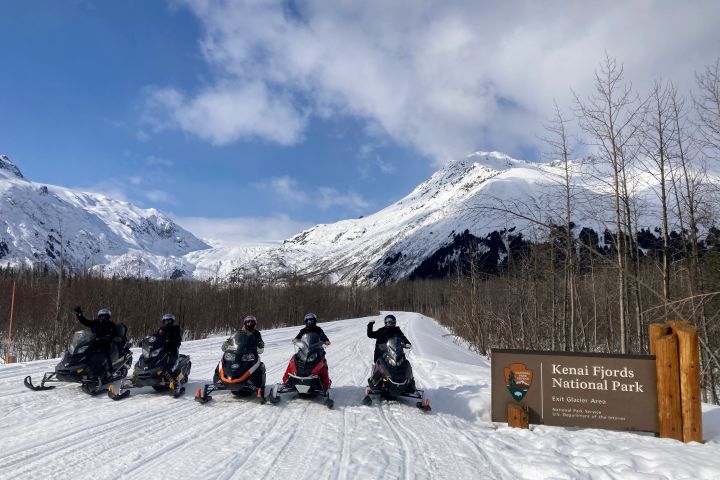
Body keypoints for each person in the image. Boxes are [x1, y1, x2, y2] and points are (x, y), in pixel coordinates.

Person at [222, 315, 266, 400]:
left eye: (251, 322)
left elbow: (260, 345)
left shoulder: (257, 333)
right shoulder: (239, 332)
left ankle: (257, 384)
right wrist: (228, 342)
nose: (249, 324)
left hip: (250, 354)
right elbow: (232, 340)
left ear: (254, 323)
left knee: (256, 366)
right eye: (248, 322)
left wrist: (260, 344)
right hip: (238, 353)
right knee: (226, 362)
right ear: (245, 323)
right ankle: (223, 379)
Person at [74, 306, 120, 374]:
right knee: (84, 352)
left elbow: (112, 333)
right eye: (101, 316)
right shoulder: (95, 322)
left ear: (108, 316)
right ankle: (80, 368)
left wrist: (106, 337)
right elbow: (84, 321)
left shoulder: (111, 324)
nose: (103, 317)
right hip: (94, 342)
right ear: (99, 316)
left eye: (105, 316)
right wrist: (79, 314)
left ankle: (111, 371)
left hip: (105, 343)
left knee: (106, 354)